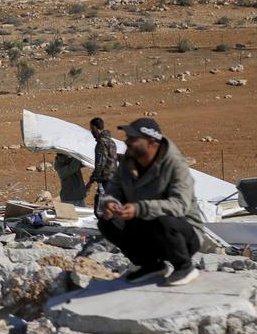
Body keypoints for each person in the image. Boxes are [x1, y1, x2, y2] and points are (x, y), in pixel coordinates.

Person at [97, 118, 204, 286]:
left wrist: (139, 208)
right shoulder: (128, 162)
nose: (127, 142)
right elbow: (114, 188)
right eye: (128, 137)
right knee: (107, 222)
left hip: (182, 234)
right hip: (147, 229)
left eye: (133, 138)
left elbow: (179, 205)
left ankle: (184, 266)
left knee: (165, 220)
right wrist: (111, 203)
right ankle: (150, 265)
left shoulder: (175, 165)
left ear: (151, 141)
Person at [85, 117, 118, 210]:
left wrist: (91, 181)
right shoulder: (112, 142)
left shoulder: (101, 143)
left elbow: (100, 163)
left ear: (95, 128)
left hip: (105, 180)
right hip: (114, 179)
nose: (91, 132)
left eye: (91, 129)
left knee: (101, 209)